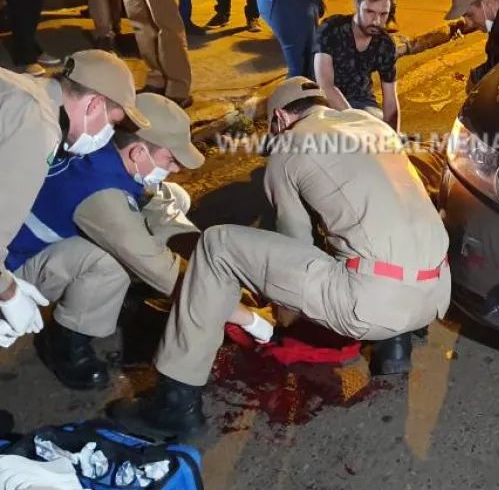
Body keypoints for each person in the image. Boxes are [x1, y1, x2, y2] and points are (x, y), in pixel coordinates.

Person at [107, 77, 451, 438]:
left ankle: (173, 403)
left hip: (375, 302)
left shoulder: (290, 145)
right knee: (367, 234)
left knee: (216, 245)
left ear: (282, 120)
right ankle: (395, 344)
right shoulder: (369, 123)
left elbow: (296, 245)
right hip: (437, 291)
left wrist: (277, 318)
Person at [3, 91, 206, 389]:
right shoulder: (100, 194)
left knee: (174, 199)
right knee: (113, 261)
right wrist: (226, 303)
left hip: (25, 243)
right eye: (171, 160)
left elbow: (154, 203)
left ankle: (107, 300)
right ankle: (65, 344)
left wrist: (196, 246)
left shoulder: (99, 148)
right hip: (11, 269)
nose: (175, 169)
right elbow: (155, 265)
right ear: (138, 153)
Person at [0, 50, 148, 353]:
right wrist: (9, 293)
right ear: (94, 104)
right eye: (113, 122)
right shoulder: (38, 124)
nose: (108, 135)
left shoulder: (18, 88)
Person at [313, 0, 399, 129]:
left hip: (363, 103)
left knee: (380, 132)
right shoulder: (331, 29)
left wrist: (394, 140)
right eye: (369, 12)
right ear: (356, 4)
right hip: (322, 104)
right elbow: (325, 85)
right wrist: (356, 124)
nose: (377, 21)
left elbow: (391, 100)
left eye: (383, 14)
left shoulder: (385, 44)